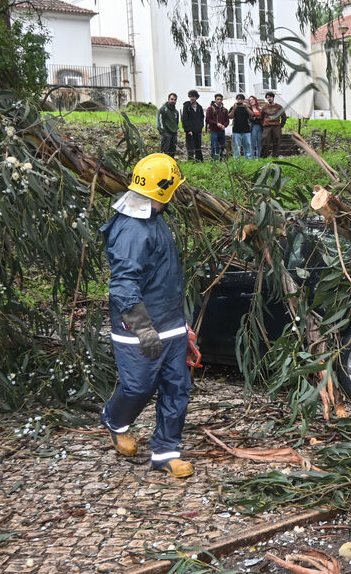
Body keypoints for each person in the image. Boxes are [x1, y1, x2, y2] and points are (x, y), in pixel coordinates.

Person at [99, 153, 197, 478]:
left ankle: (165, 452)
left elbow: (165, 278)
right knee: (138, 386)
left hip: (170, 325)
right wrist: (144, 330)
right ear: (165, 191)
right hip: (138, 330)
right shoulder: (132, 230)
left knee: (177, 388)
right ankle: (115, 419)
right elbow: (124, 285)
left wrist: (182, 325)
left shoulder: (155, 218)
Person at [260, 91, 286, 158]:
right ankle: (264, 157)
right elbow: (261, 117)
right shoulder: (264, 107)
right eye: (267, 97)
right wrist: (264, 124)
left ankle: (275, 156)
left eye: (270, 97)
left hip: (276, 126)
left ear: (273, 98)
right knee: (265, 141)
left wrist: (280, 126)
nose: (269, 99)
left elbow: (284, 117)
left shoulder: (279, 107)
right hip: (267, 127)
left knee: (277, 141)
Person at [181, 90, 205, 163]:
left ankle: (199, 161)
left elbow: (202, 118)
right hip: (190, 131)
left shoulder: (199, 107)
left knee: (198, 147)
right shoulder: (186, 106)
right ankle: (191, 161)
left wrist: (201, 127)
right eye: (191, 96)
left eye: (193, 96)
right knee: (190, 147)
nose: (192, 98)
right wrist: (188, 130)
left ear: (196, 97)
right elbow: (184, 119)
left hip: (198, 130)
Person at [205, 93, 229, 160]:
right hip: (214, 131)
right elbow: (208, 119)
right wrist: (216, 124)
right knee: (214, 146)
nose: (219, 101)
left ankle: (220, 160)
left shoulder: (224, 110)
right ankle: (214, 161)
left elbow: (227, 120)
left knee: (222, 146)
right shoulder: (210, 109)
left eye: (220, 99)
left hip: (222, 131)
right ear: (215, 100)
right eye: (218, 99)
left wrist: (224, 125)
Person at [157, 93, 180, 158]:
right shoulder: (163, 109)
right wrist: (163, 132)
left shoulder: (176, 112)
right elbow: (160, 121)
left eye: (175, 100)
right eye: (172, 99)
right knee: (164, 152)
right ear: (168, 99)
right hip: (166, 133)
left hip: (174, 134)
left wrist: (176, 130)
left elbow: (176, 122)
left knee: (172, 152)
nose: (173, 101)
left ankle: (170, 166)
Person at [230, 94, 253, 159]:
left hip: (246, 130)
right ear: (236, 100)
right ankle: (236, 159)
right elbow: (230, 117)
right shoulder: (233, 107)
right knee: (236, 146)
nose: (240, 100)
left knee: (248, 145)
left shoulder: (247, 107)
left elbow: (252, 115)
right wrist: (234, 109)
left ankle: (248, 158)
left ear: (243, 100)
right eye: (238, 99)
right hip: (236, 130)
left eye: (241, 99)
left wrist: (247, 108)